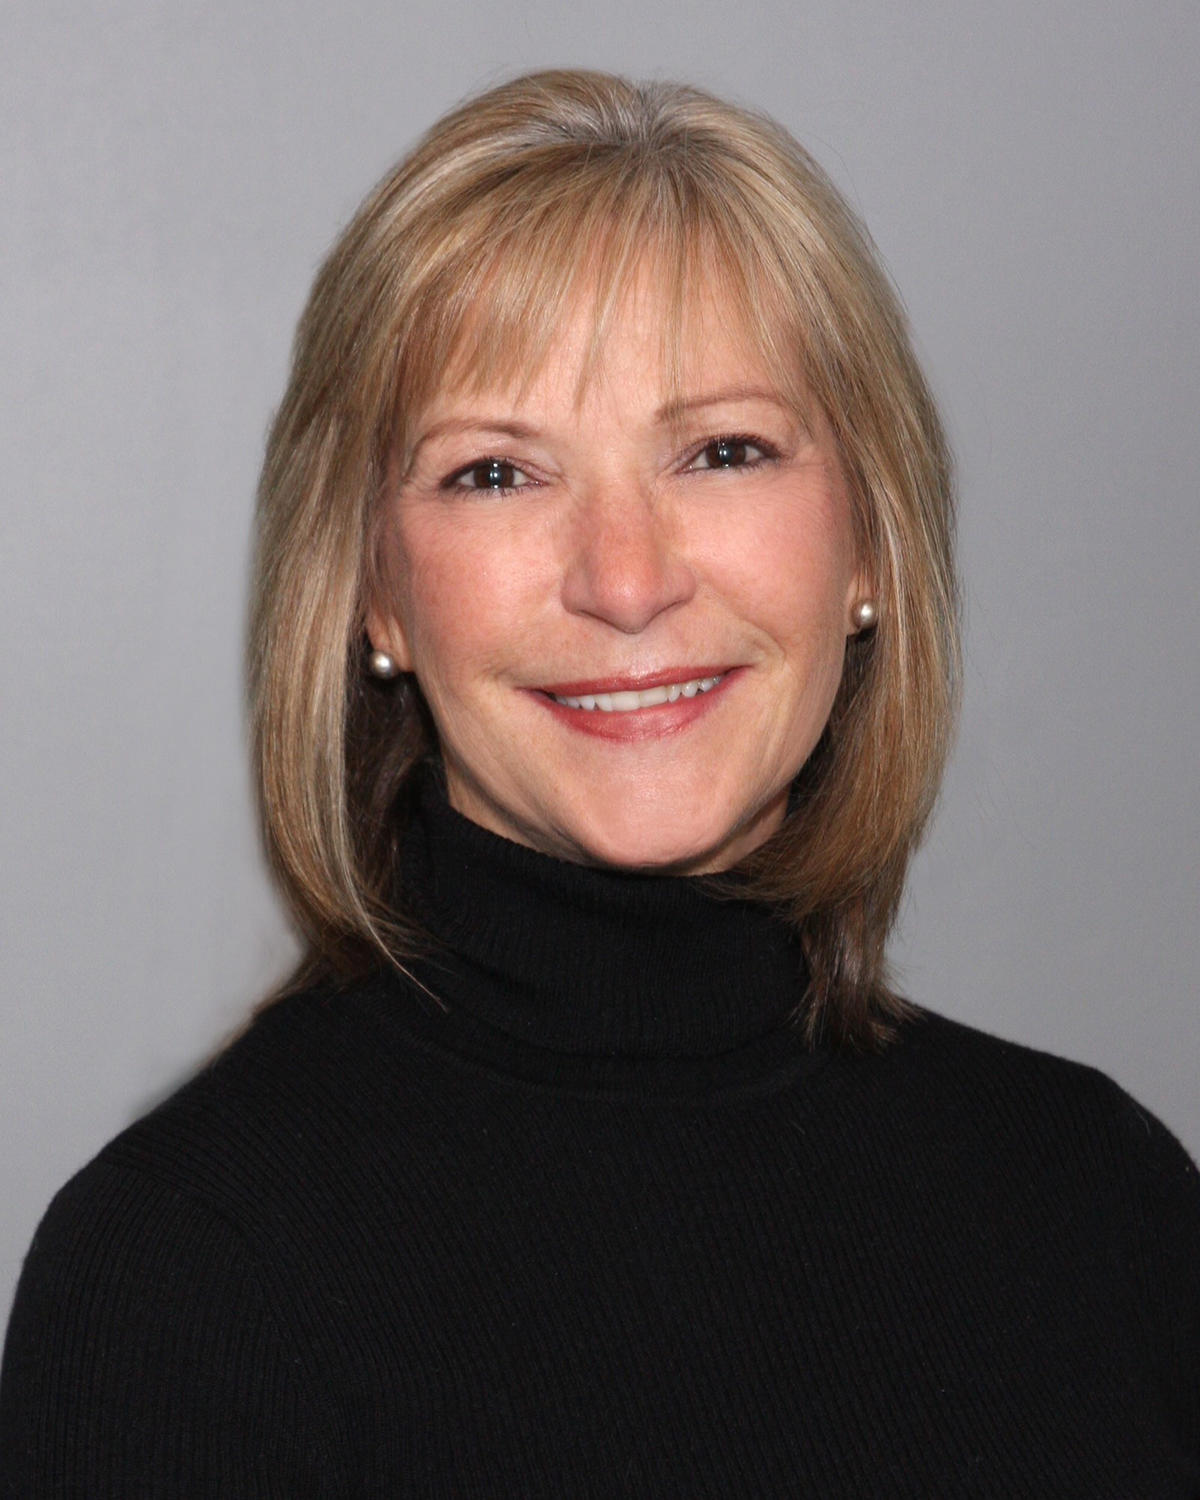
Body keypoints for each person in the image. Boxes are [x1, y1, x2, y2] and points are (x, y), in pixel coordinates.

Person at [2, 68, 1197, 1497]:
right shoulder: (185, 1275)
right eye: (497, 474)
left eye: (723, 452)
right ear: (374, 593)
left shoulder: (1102, 1198)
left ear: (870, 548)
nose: (626, 582)